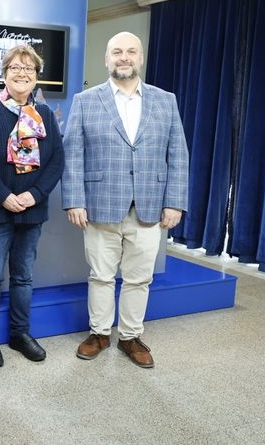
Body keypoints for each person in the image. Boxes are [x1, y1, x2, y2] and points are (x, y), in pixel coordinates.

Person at [61, 31, 189, 369]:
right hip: (100, 204)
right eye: (116, 51)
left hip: (150, 206)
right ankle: (100, 333)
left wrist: (175, 202)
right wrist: (74, 200)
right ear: (107, 59)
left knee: (139, 278)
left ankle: (130, 336)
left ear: (141, 58)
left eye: (131, 51)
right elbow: (72, 154)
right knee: (101, 275)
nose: (124, 57)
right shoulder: (86, 101)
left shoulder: (166, 100)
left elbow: (178, 155)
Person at [0, 44, 64, 368]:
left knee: (23, 277)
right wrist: (4, 196)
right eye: (15, 69)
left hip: (32, 211)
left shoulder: (45, 115)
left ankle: (20, 334)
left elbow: (56, 162)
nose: (22, 74)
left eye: (29, 69)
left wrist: (34, 195)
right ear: (3, 75)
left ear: (36, 78)